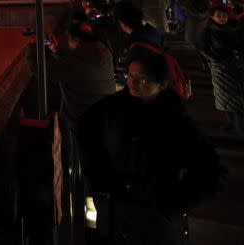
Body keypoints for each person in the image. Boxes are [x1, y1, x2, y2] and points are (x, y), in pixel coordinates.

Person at [78, 54, 223, 244]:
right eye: (130, 75)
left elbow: (212, 172)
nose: (133, 83)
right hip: (113, 212)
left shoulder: (176, 124)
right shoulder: (110, 108)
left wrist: (173, 200)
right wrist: (97, 173)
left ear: (162, 85)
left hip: (154, 221)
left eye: (143, 79)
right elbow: (85, 130)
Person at [47, 24, 116, 130]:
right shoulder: (104, 53)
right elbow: (75, 66)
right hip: (101, 117)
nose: (68, 43)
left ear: (77, 40)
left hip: (81, 121)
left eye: (69, 40)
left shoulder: (78, 61)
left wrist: (33, 45)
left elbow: (47, 71)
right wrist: (56, 51)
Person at [202, 5, 244, 134]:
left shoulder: (234, 28)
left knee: (237, 98)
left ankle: (237, 125)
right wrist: (215, 60)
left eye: (224, 15)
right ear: (212, 16)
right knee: (226, 97)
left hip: (236, 67)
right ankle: (233, 124)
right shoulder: (208, 31)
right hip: (220, 69)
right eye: (219, 15)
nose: (222, 18)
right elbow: (203, 49)